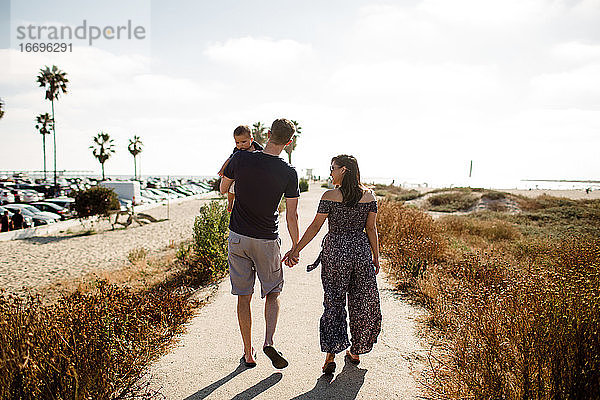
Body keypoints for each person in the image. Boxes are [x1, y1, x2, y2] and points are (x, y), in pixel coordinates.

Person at [284, 154, 382, 374]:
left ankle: (330, 355)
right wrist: (376, 256)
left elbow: (316, 226)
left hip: (336, 253)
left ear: (344, 170)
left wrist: (296, 249)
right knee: (362, 303)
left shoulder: (330, 195)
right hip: (360, 254)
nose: (330, 172)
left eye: (333, 168)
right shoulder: (369, 196)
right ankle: (355, 351)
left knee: (334, 302)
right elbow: (371, 228)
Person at [220, 118, 299, 369]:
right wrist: (295, 246)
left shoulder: (241, 158)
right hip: (266, 239)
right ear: (288, 142)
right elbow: (292, 215)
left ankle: (248, 352)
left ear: (266, 134)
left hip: (238, 237)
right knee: (273, 292)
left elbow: (224, 188)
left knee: (243, 296)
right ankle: (268, 342)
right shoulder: (289, 172)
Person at [218, 125, 264, 212]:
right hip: (238, 175)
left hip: (253, 176)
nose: (240, 145)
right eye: (237, 143)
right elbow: (229, 159)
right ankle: (230, 202)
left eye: (243, 142)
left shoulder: (257, 148)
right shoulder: (237, 151)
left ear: (251, 139)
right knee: (231, 189)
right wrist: (222, 169)